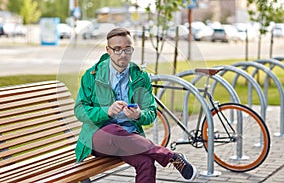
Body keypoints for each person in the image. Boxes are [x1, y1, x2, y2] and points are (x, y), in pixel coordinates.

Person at [74, 27, 197, 182]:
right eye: (117, 49)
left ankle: (166, 156)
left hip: (130, 139)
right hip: (98, 138)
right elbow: (80, 111)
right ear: (108, 50)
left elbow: (151, 112)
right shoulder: (91, 75)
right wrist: (107, 111)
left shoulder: (140, 76)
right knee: (112, 130)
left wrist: (139, 115)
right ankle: (170, 156)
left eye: (127, 49)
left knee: (146, 162)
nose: (123, 54)